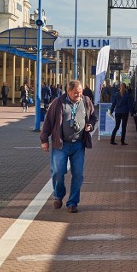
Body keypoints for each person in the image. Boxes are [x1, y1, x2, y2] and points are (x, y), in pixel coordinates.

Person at [40, 80, 98, 213]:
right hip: (61, 145)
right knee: (58, 172)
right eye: (76, 93)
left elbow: (93, 117)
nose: (79, 95)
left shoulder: (86, 101)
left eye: (80, 92)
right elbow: (48, 122)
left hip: (78, 144)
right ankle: (58, 195)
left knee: (78, 174)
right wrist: (44, 139)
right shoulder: (58, 103)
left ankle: (72, 203)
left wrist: (90, 125)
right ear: (69, 91)